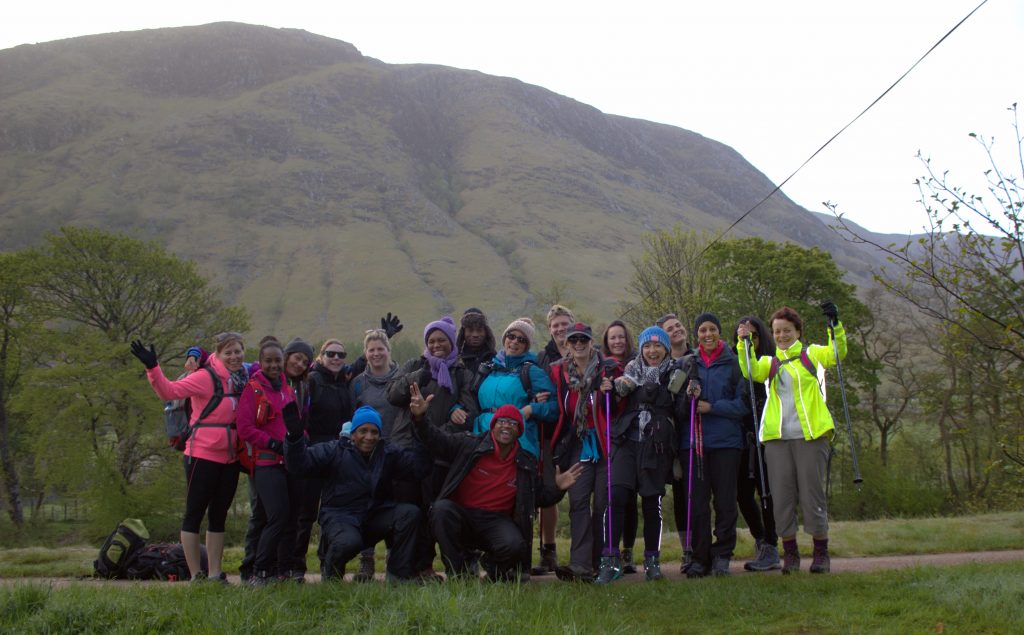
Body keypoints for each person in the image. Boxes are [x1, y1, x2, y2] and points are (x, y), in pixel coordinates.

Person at [418, 401, 583, 581]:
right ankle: (459, 574)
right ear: (493, 426)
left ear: (519, 430)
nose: (506, 426)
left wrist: (558, 488)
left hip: (495, 520)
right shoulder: (470, 444)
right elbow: (437, 440)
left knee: (515, 546)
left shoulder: (526, 462)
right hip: (462, 515)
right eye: (502, 421)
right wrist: (420, 418)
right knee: (441, 510)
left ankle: (492, 570)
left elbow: (539, 497)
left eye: (513, 423)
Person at [130, 332, 247, 583]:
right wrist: (153, 367)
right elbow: (168, 391)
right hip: (201, 455)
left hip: (230, 458)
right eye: (229, 352)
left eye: (238, 351)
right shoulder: (204, 377)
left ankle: (215, 574)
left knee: (219, 515)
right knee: (194, 513)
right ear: (217, 354)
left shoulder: (241, 378)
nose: (235, 357)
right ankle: (197, 576)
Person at [737, 302, 845, 574]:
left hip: (812, 437)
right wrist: (744, 343)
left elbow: (836, 354)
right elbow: (749, 370)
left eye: (787, 331)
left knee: (812, 495)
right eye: (776, 332)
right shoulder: (769, 363)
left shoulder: (812, 355)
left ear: (798, 331)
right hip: (777, 440)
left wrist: (836, 327)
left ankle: (820, 553)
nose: (782, 336)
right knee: (782, 498)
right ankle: (791, 555)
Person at [284, 404, 430, 582]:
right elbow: (299, 466)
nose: (369, 437)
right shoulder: (334, 451)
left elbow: (419, 469)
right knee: (348, 542)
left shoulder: (388, 453)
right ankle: (331, 574)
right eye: (363, 431)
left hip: (372, 516)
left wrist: (420, 423)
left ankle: (398, 575)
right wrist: (295, 438)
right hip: (339, 516)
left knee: (409, 513)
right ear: (353, 433)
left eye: (374, 432)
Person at [387, 316, 480, 579]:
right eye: (431, 341)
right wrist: (421, 374)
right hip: (406, 448)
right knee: (408, 510)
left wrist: (439, 433)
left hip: (440, 453)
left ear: (452, 343)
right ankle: (405, 568)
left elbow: (468, 412)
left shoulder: (462, 373)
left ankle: (428, 566)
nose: (436, 345)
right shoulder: (415, 365)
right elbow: (393, 395)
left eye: (442, 340)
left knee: (432, 509)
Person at [602, 326, 692, 583]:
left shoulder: (675, 373)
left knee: (653, 503)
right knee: (616, 495)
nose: (652, 351)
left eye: (658, 346)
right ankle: (609, 560)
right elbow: (617, 394)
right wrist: (609, 388)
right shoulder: (629, 372)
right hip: (626, 441)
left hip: (656, 445)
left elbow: (678, 408)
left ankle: (652, 561)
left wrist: (689, 394)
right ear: (641, 349)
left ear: (666, 349)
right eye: (647, 346)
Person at [680, 312, 747, 578]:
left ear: (719, 332)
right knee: (697, 503)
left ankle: (722, 556)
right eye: (702, 331)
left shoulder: (734, 363)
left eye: (712, 330)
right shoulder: (687, 364)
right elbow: (676, 406)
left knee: (725, 502)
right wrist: (688, 400)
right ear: (696, 336)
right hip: (693, 444)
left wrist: (712, 408)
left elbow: (743, 405)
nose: (707, 335)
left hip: (726, 443)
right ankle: (700, 558)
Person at [548, 322, 614, 582]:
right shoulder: (559, 373)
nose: (578, 344)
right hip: (578, 443)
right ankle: (579, 564)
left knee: (602, 504)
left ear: (591, 342)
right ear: (567, 344)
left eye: (582, 339)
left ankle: (601, 560)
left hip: (605, 443)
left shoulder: (608, 368)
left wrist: (614, 390)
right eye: (573, 340)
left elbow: (622, 396)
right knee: (578, 501)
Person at [235, 338, 298, 585]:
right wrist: (271, 443)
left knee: (286, 517)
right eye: (268, 361)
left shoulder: (287, 389)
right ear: (260, 362)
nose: (273, 365)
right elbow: (244, 427)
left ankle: (276, 570)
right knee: (276, 517)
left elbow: (293, 425)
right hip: (266, 462)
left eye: (277, 360)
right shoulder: (253, 389)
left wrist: (300, 443)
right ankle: (259, 570)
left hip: (288, 463)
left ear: (283, 362)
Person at [290, 338, 354, 582]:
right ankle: (297, 566)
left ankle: (330, 564)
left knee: (333, 511)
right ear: (321, 356)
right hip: (314, 452)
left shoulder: (344, 382)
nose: (336, 358)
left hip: (339, 454)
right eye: (331, 354)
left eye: (341, 354)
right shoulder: (313, 380)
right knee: (305, 512)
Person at [350, 328, 401, 580]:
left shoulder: (402, 377)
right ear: (365, 354)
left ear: (389, 351)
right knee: (366, 506)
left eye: (381, 349)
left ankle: (394, 558)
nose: (376, 353)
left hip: (395, 451)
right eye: (372, 350)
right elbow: (350, 418)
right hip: (366, 453)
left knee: (394, 504)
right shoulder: (358, 383)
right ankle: (366, 560)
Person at [732, 316, 781, 571]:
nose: (749, 341)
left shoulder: (771, 363)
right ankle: (762, 539)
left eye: (753, 336)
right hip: (741, 438)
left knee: (767, 492)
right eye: (743, 337)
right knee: (742, 493)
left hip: (767, 436)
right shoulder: (736, 362)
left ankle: (771, 545)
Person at [472, 317, 557, 459]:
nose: (515, 341)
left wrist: (531, 409)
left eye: (522, 340)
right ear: (505, 338)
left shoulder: (531, 371)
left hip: (517, 441)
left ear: (526, 346)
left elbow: (555, 406)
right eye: (511, 336)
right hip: (481, 436)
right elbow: (469, 396)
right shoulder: (490, 368)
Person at [532, 304, 575, 575]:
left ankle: (587, 552)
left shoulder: (585, 348)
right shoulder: (542, 358)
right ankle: (548, 553)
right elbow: (534, 386)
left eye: (564, 323)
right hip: (550, 433)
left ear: (572, 323)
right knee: (549, 494)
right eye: (555, 326)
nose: (560, 329)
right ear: (550, 330)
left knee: (583, 494)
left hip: (581, 431)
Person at [601, 320, 639, 573]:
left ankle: (628, 551)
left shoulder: (638, 364)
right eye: (612, 338)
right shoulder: (602, 368)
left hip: (637, 434)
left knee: (632, 497)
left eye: (621, 337)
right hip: (613, 436)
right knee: (618, 494)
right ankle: (611, 551)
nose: (617, 341)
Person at [456, 308, 497, 377]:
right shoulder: (456, 361)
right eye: (470, 330)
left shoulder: (496, 360)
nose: (475, 335)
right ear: (463, 333)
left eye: (479, 330)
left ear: (486, 332)